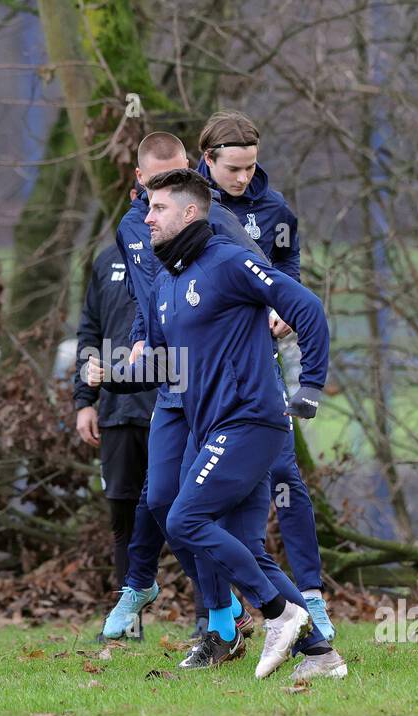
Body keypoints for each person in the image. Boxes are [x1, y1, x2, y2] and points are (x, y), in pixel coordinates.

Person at [92, 168, 347, 680]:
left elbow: (307, 308)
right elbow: (166, 364)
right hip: (208, 429)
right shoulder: (167, 283)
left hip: (252, 421)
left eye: (158, 208)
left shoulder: (232, 262)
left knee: (186, 519)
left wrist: (311, 388)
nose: (147, 217)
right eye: (146, 208)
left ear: (190, 212)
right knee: (237, 542)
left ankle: (278, 614)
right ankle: (321, 656)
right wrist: (114, 376)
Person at [97, 131, 269, 646]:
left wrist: (280, 310)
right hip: (170, 378)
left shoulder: (216, 222)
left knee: (203, 509)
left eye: (176, 179)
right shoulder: (135, 225)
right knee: (160, 502)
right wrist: (138, 343)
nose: (157, 204)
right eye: (154, 188)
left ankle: (252, 614)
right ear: (140, 182)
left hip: (220, 383)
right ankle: (214, 605)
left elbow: (261, 275)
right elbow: (143, 295)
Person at [197, 110, 333, 640]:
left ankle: (313, 598)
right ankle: (217, 617)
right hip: (197, 372)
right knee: (189, 496)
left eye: (251, 167)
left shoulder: (274, 209)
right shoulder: (188, 208)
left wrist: (284, 307)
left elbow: (288, 265)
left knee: (284, 475)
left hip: (259, 366)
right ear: (207, 161)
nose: (244, 178)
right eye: (233, 169)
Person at [71, 243, 164, 638]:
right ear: (136, 186)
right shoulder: (108, 259)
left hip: (169, 407)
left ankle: (211, 619)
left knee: (184, 515)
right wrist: (84, 400)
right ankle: (130, 623)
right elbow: (89, 329)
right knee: (122, 515)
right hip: (115, 411)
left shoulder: (184, 253)